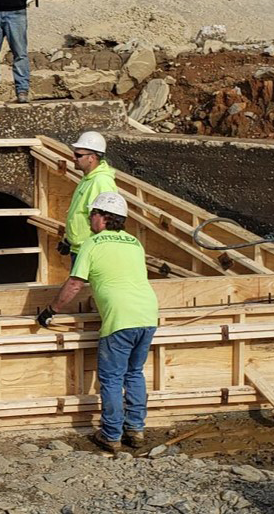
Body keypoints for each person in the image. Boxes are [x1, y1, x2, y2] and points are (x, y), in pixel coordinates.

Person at [38, 192, 158, 452]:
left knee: (113, 379)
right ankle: (135, 429)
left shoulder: (92, 244)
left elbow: (75, 284)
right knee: (134, 373)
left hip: (120, 318)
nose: (90, 218)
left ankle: (111, 435)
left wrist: (51, 310)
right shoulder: (135, 243)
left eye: (92, 213)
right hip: (148, 314)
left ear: (103, 218)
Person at [59, 131, 117, 266]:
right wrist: (69, 240)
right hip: (79, 248)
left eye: (78, 155)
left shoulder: (101, 182)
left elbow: (106, 220)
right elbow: (81, 214)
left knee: (79, 286)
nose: (74, 158)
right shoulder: (88, 179)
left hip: (89, 251)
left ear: (92, 157)